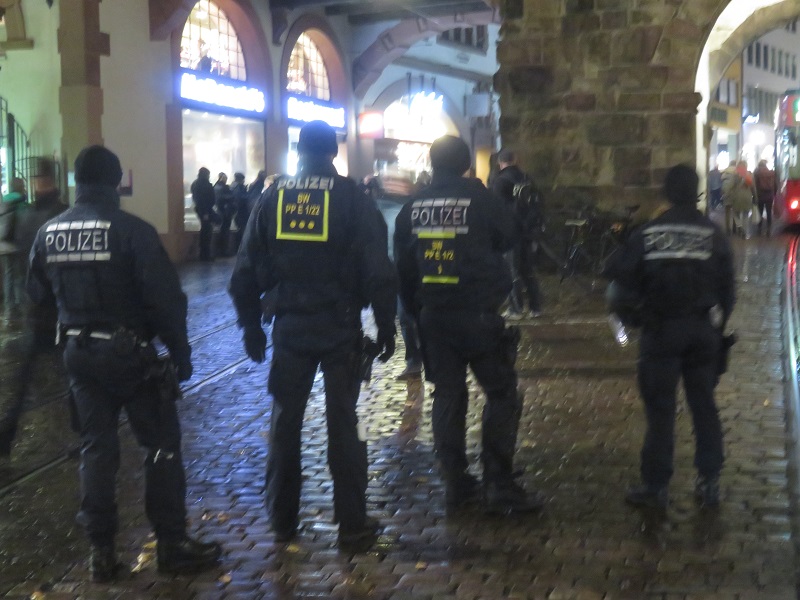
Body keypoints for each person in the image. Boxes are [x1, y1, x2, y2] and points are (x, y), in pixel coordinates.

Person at [26, 145, 222, 581]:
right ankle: (171, 543)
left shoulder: (49, 232)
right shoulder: (132, 231)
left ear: (77, 180)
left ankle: (101, 552)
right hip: (130, 356)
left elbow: (35, 294)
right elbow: (166, 300)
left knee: (96, 450)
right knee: (161, 446)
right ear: (116, 182)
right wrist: (181, 352)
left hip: (77, 354)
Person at [229, 121, 397, 550]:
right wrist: (387, 323)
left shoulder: (272, 198)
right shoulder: (352, 200)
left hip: (289, 327)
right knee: (344, 423)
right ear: (333, 154)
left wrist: (250, 324)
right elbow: (378, 270)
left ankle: (283, 521)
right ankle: (352, 524)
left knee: (284, 423)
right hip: (339, 327)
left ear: (299, 152)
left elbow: (245, 269)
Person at [394, 135, 545, 515]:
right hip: (478, 314)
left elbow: (404, 270)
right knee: (501, 393)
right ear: (465, 164)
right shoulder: (481, 200)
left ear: (432, 163)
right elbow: (509, 235)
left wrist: (415, 313)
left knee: (447, 395)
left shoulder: (411, 209)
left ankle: (456, 482)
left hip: (434, 316)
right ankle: (498, 482)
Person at [603, 164, 735, 510]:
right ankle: (709, 479)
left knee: (660, 411)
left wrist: (632, 321)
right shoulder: (713, 233)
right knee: (704, 405)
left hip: (660, 331)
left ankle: (656, 484)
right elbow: (728, 291)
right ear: (697, 193)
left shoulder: (648, 233)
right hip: (701, 329)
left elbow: (619, 283)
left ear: (666, 193)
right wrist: (715, 328)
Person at [0, 158, 68, 456]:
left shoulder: (28, 216)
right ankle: (81, 434)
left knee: (25, 379)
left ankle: (7, 435)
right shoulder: (64, 214)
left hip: (37, 308)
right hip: (59, 310)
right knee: (70, 376)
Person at [491, 149, 543, 318]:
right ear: (515, 160)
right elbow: (538, 203)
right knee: (528, 270)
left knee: (512, 271)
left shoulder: (500, 181)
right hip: (528, 232)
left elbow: (497, 210)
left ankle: (516, 308)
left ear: (501, 162)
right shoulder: (527, 178)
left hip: (510, 232)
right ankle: (536, 308)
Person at [1, 177, 29, 312]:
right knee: (20, 275)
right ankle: (21, 304)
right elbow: (25, 223)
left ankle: (8, 305)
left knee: (8, 274)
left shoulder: (3, 201)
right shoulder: (21, 201)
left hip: (4, 244)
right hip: (17, 244)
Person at [190, 167, 217, 261]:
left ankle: (203, 254)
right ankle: (206, 254)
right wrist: (206, 212)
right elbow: (210, 199)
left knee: (204, 231)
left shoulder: (195, 184)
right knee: (207, 232)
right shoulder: (205, 185)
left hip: (200, 210)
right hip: (206, 211)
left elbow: (196, 198)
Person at [213, 172, 235, 257]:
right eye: (225, 178)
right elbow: (229, 197)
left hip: (220, 212)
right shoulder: (224, 188)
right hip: (225, 212)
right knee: (225, 231)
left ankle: (221, 250)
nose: (226, 180)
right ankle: (224, 250)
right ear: (222, 178)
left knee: (222, 231)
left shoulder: (215, 187)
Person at [753, 159, 775, 235]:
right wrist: (774, 193)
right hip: (769, 195)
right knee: (769, 212)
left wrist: (754, 195)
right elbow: (775, 184)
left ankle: (759, 228)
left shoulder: (757, 173)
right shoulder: (771, 172)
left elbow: (754, 184)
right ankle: (768, 229)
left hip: (760, 195)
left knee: (760, 212)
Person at [230, 172, 250, 251]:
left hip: (236, 211)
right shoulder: (238, 187)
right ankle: (239, 248)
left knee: (240, 229)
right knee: (242, 230)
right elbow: (240, 199)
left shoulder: (233, 186)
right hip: (240, 211)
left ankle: (238, 247)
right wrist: (248, 195)